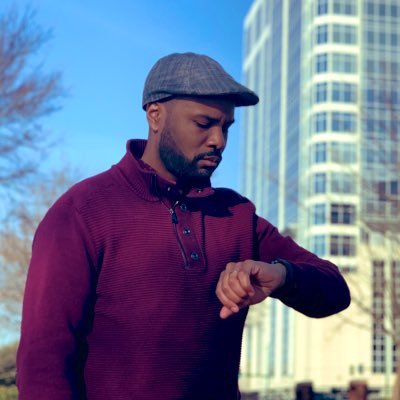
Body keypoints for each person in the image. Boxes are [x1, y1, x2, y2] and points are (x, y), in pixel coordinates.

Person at [17, 52, 350, 400]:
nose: (219, 140)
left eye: (226, 127)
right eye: (204, 124)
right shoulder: (82, 211)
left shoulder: (236, 215)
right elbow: (44, 364)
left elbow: (335, 290)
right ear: (155, 115)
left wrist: (280, 275)